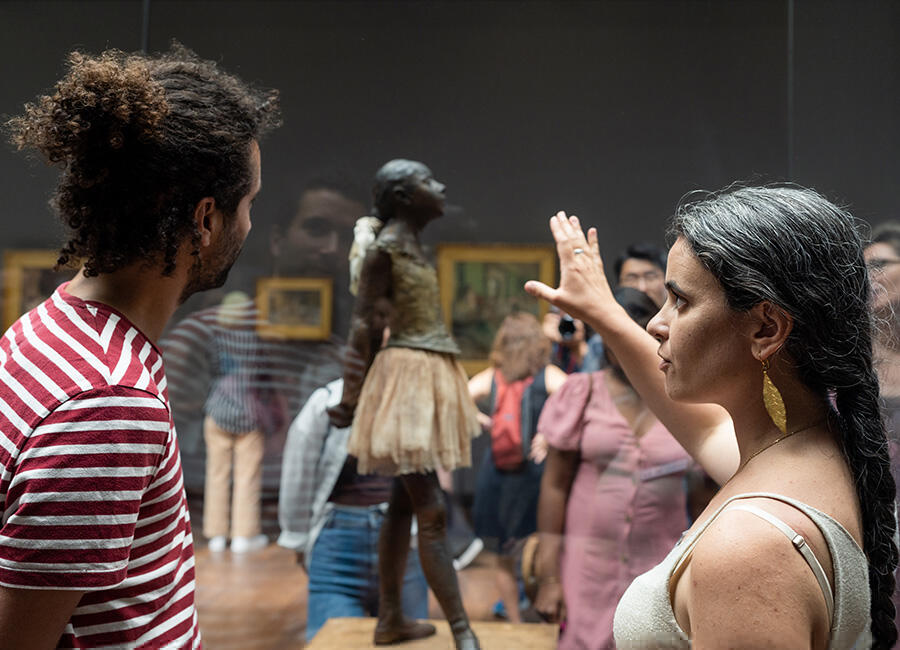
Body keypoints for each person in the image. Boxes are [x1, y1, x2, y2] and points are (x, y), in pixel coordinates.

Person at [525, 186, 897, 649]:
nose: (655, 324)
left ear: (766, 328)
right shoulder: (817, 449)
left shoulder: (750, 550)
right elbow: (705, 429)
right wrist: (602, 311)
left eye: (680, 302)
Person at [1, 45, 278, 647]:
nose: (251, 224)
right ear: (205, 220)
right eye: (249, 203)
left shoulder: (49, 329)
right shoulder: (107, 402)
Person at [162, 176, 363, 553]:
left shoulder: (342, 355)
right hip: (198, 539)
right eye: (316, 229)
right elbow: (164, 449)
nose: (332, 249)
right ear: (277, 240)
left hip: (311, 536)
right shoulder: (202, 336)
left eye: (348, 237)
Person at [328, 159, 481, 649]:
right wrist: (351, 397)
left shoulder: (410, 247)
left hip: (425, 372)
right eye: (427, 181)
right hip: (406, 383)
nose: (440, 186)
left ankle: (390, 618)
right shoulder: (387, 250)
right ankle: (462, 630)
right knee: (430, 509)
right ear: (402, 196)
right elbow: (363, 327)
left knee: (402, 505)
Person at [533, 287, 693, 649]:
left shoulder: (686, 403)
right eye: (611, 334)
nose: (622, 344)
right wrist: (548, 578)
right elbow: (554, 486)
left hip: (660, 570)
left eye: (634, 333)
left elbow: (702, 497)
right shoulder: (581, 392)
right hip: (587, 569)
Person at [277, 378, 429, 641]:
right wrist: (298, 536)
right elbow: (298, 472)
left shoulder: (415, 401)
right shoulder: (327, 400)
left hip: (401, 540)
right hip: (339, 543)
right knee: (337, 641)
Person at [467, 312, 567, 623]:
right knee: (542, 553)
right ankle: (544, 621)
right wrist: (550, 433)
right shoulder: (547, 375)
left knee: (502, 559)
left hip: (496, 476)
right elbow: (579, 398)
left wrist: (480, 420)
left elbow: (459, 398)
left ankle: (513, 623)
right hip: (536, 478)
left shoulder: (493, 376)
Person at [863, 221, 900, 628]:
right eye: (864, 269)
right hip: (872, 548)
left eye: (882, 264)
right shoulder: (848, 362)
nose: (870, 278)